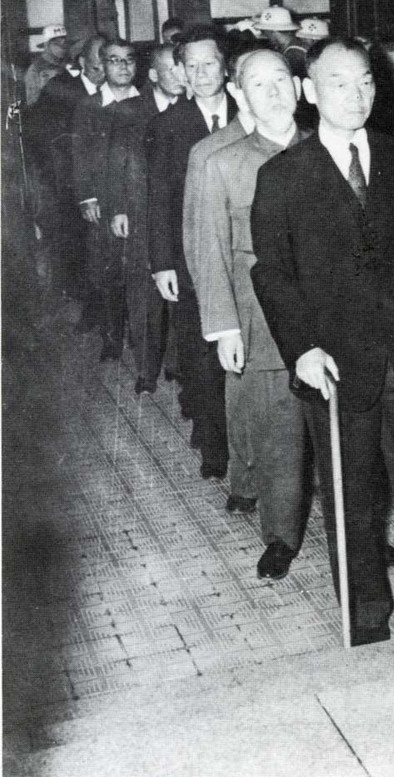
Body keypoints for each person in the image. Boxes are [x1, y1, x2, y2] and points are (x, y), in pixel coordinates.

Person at [251, 37, 394, 644]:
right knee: (352, 501)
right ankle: (366, 622)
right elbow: (272, 275)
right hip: (335, 365)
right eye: (338, 83)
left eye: (364, 82)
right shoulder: (282, 177)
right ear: (310, 91)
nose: (355, 95)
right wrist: (301, 348)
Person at [195, 50, 313, 580]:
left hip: (331, 316)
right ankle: (281, 537)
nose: (273, 92)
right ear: (239, 94)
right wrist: (224, 327)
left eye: (281, 80)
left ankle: (360, 537)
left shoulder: (329, 148)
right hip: (261, 319)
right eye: (258, 84)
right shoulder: (223, 164)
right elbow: (210, 251)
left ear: (300, 86)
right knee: (278, 432)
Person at [148, 26, 237, 479]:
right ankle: (215, 446)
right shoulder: (167, 126)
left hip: (243, 252)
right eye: (192, 66)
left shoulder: (249, 111)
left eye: (210, 63)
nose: (201, 74)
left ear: (226, 66)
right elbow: (159, 198)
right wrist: (162, 263)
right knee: (201, 353)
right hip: (191, 258)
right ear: (181, 71)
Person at [107, 43, 187, 395]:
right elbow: (116, 163)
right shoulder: (130, 111)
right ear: (154, 74)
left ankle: (176, 363)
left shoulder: (191, 110)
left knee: (182, 293)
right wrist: (117, 208)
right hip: (141, 213)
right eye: (172, 69)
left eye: (183, 68)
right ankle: (146, 369)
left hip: (179, 215)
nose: (182, 76)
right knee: (144, 296)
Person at [25, 34, 105, 312]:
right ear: (82, 62)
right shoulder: (59, 89)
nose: (104, 72)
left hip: (103, 182)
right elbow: (37, 135)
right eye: (97, 65)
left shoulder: (118, 89)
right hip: (66, 184)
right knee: (75, 247)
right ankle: (82, 302)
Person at [71, 39, 140, 360]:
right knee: (107, 270)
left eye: (129, 59)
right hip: (103, 202)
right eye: (114, 60)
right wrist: (87, 197)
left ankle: (142, 338)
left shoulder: (147, 103)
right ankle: (112, 338)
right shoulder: (89, 107)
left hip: (139, 201)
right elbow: (79, 156)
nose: (123, 66)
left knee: (140, 271)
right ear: (103, 64)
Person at [24, 24, 70, 106]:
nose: (62, 48)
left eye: (64, 43)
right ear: (47, 45)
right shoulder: (36, 69)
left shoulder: (67, 64)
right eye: (57, 44)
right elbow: (32, 102)